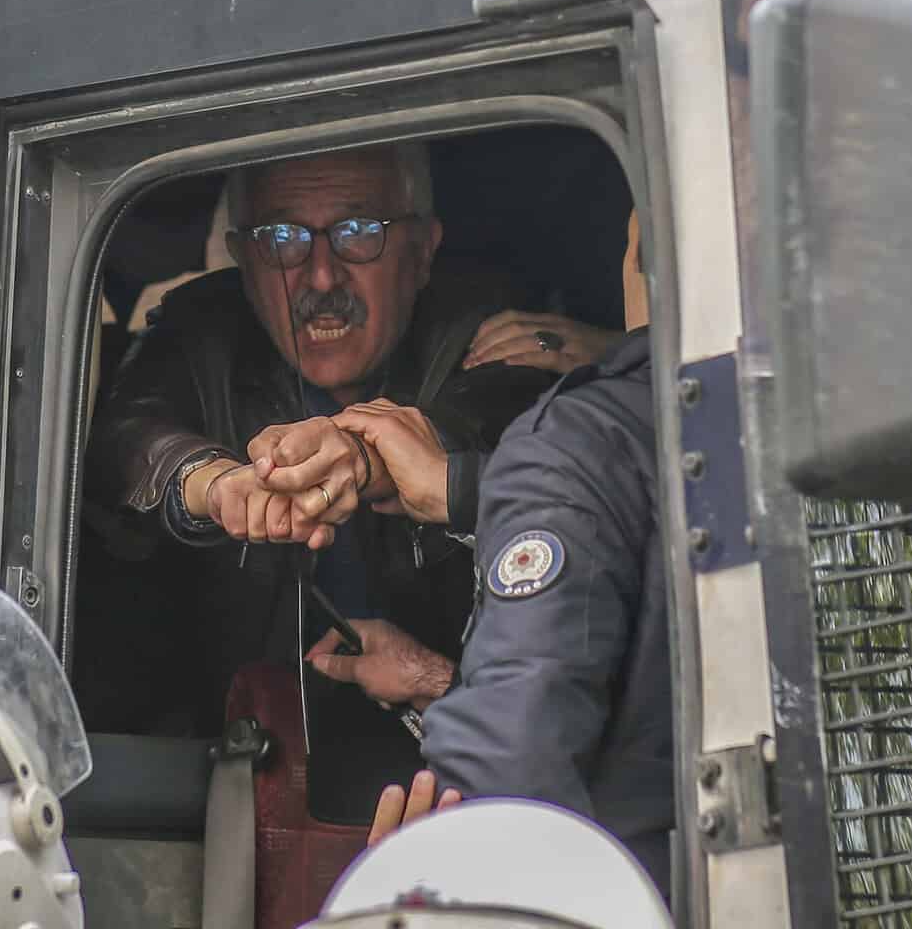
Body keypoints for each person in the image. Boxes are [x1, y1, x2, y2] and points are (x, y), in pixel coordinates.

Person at [81, 143, 615, 769]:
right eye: (283, 238)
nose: (322, 277)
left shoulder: (492, 327)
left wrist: (369, 458)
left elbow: (489, 422)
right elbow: (131, 436)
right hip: (239, 772)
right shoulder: (200, 333)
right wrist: (216, 484)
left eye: (359, 233)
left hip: (464, 771)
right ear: (244, 259)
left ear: (421, 252)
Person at [306, 209, 672, 893]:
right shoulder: (799, 426)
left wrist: (432, 885)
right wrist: (432, 678)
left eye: (361, 230)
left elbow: (512, 764)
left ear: (642, 249)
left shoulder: (583, 437)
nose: (321, 271)